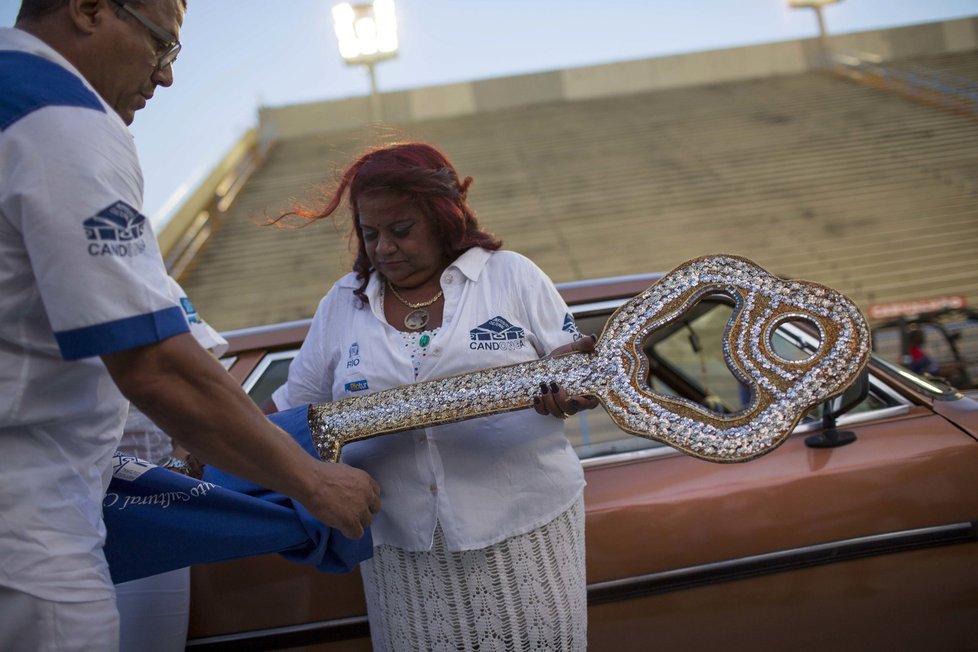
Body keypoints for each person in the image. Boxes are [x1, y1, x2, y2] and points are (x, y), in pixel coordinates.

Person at [0, 2, 379, 650]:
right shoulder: (60, 118)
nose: (166, 77)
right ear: (90, 10)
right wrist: (312, 482)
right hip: (28, 517)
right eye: (162, 47)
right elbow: (154, 365)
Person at [267, 142, 598, 651]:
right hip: (402, 553)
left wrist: (572, 391)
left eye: (401, 231)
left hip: (523, 533)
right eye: (370, 233)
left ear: (444, 218)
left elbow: (578, 374)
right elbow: (294, 412)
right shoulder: (342, 304)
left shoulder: (511, 276)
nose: (383, 249)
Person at [114, 276, 227, 652]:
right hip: (51, 509)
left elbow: (205, 383)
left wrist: (174, 470)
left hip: (150, 505)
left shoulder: (151, 278)